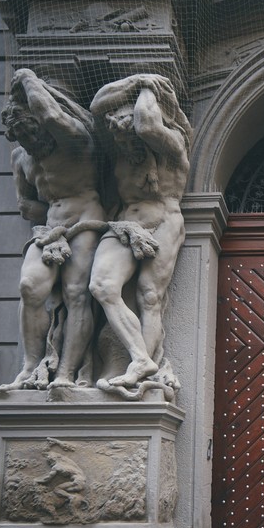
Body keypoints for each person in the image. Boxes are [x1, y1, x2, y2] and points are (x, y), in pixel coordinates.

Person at [0, 69, 106, 391]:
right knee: (30, 287)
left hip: (85, 218)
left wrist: (27, 78)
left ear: (40, 122)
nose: (28, 141)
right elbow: (26, 205)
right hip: (50, 228)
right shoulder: (22, 158)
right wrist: (50, 222)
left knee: (76, 294)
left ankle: (66, 373)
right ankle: (31, 367)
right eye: (20, 136)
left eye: (31, 132)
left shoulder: (72, 139)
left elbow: (51, 113)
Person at [88, 74, 191, 390]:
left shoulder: (172, 146)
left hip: (164, 222)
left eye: (128, 132)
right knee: (102, 286)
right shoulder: (119, 150)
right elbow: (95, 106)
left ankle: (142, 365)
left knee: (149, 295)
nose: (124, 139)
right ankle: (140, 357)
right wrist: (137, 81)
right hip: (125, 225)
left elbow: (147, 125)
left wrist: (149, 87)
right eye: (118, 132)